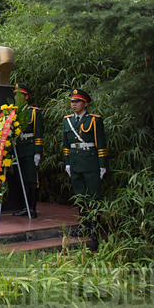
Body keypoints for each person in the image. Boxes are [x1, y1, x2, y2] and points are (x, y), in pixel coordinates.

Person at [62, 89, 107, 240]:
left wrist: (102, 165)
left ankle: (95, 226)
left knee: (93, 196)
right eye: (72, 102)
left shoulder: (94, 120)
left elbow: (101, 143)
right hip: (75, 162)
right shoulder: (67, 120)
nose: (73, 104)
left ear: (85, 104)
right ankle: (84, 225)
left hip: (91, 162)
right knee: (80, 196)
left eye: (77, 102)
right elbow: (66, 145)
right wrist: (67, 163)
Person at [12, 83, 44, 219]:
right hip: (19, 148)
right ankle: (24, 207)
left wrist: (37, 152)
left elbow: (38, 133)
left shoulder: (34, 112)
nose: (16, 97)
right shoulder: (13, 112)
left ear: (26, 97)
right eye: (15, 95)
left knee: (32, 179)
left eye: (19, 95)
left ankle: (32, 208)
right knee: (22, 179)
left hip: (30, 149)